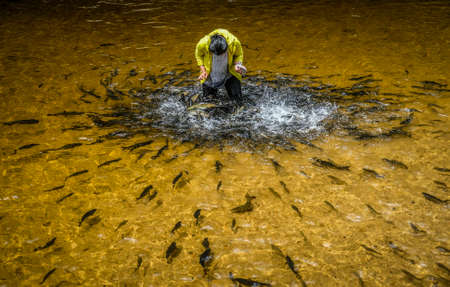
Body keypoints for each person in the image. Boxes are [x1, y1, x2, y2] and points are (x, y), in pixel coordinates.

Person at [195, 28, 247, 106]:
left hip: (229, 73)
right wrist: (203, 70)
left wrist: (237, 64)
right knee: (208, 102)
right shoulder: (203, 43)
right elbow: (198, 55)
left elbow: (239, 54)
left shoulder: (234, 42)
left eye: (222, 53)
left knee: (237, 100)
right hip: (210, 74)